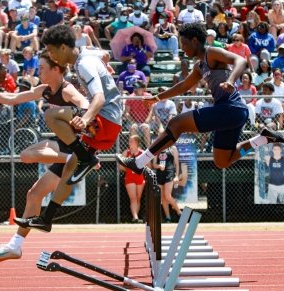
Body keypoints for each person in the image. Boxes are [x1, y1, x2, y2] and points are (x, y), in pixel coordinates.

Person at [115, 22, 284, 177]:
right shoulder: (199, 66)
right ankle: (263, 138)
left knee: (176, 124)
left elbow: (239, 60)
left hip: (232, 108)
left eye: (184, 43)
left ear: (195, 40)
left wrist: (231, 80)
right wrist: (157, 98)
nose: (182, 48)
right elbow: (184, 86)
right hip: (231, 114)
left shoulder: (211, 52)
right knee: (222, 161)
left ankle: (139, 162)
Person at [0, 51, 89, 261]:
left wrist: (84, 117)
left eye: (42, 68)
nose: (38, 71)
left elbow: (84, 102)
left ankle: (77, 159)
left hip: (75, 147)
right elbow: (13, 98)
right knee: (33, 194)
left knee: (27, 155)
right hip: (64, 149)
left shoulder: (67, 90)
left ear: (56, 70)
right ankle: (15, 246)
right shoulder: (45, 90)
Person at [12, 24, 123, 232]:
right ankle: (47, 218)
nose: (52, 57)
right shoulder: (87, 57)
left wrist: (86, 117)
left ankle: (87, 158)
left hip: (105, 119)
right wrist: (104, 61)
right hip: (108, 128)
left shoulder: (83, 64)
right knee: (70, 166)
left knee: (51, 114)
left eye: (53, 52)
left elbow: (98, 98)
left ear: (63, 47)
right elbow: (103, 53)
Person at [119, 135, 145, 223]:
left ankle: (135, 218)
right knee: (133, 198)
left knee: (138, 198)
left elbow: (148, 166)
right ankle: (136, 217)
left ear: (137, 143)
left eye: (132, 141)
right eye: (129, 141)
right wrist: (131, 169)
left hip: (140, 177)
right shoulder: (126, 153)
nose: (129, 143)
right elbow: (121, 167)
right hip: (130, 177)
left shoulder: (142, 153)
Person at [153, 145, 182, 223]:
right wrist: (159, 166)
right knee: (163, 197)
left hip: (169, 173)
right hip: (160, 175)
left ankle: (179, 213)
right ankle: (168, 217)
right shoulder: (157, 148)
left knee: (167, 195)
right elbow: (154, 164)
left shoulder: (172, 148)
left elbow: (176, 163)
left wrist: (176, 176)